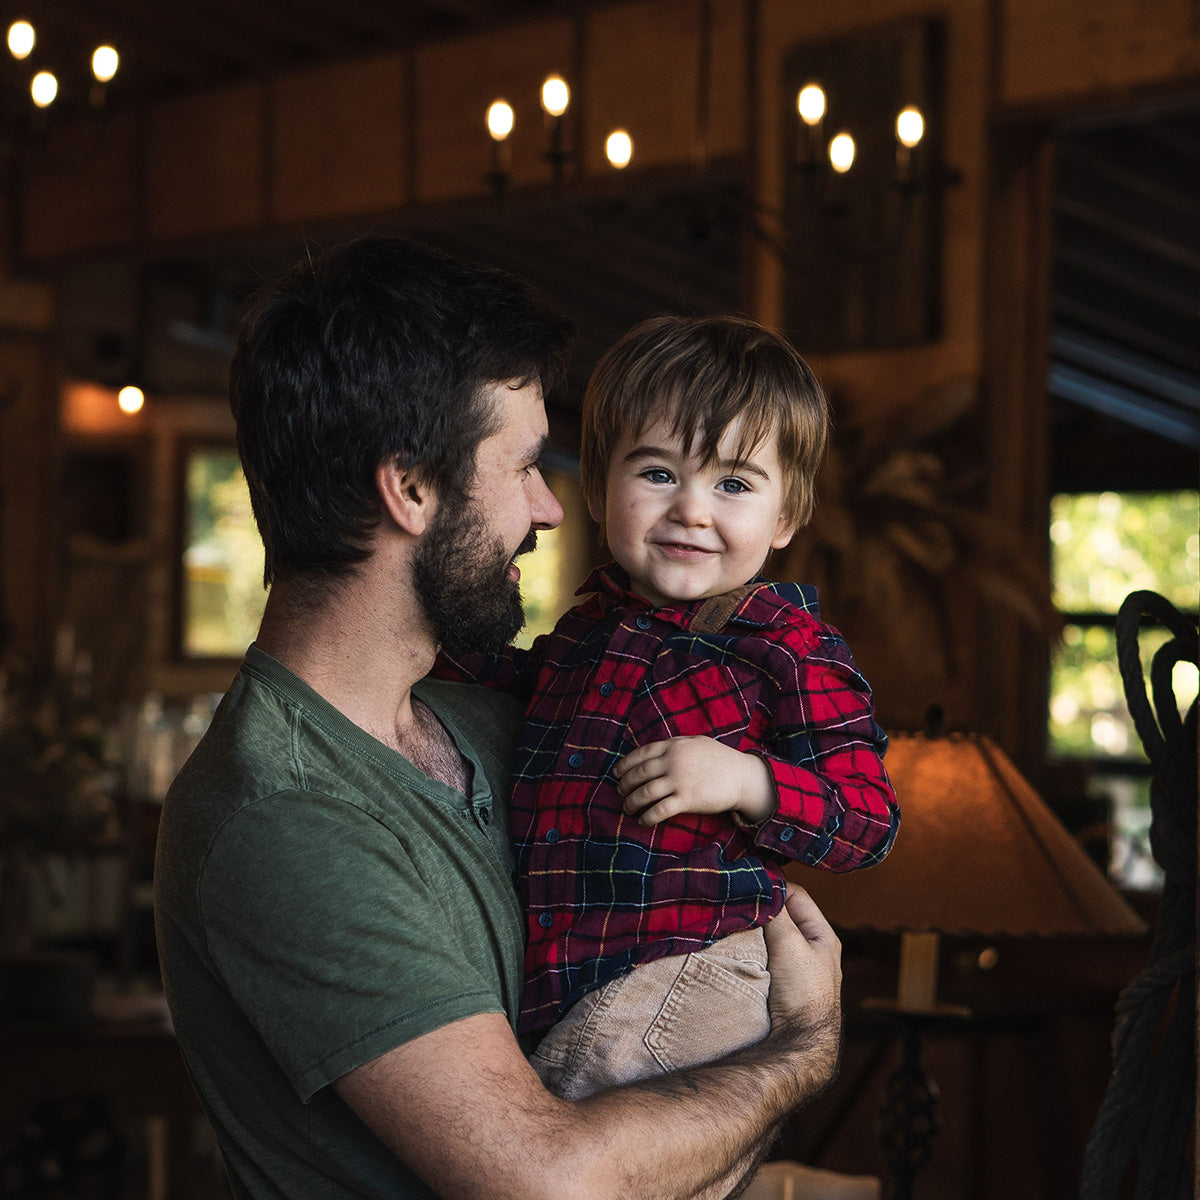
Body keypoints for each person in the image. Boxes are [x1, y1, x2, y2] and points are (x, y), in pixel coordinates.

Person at [154, 237, 844, 1200]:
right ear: (412, 489)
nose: (551, 510)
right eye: (523, 467)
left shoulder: (508, 718)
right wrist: (803, 1048)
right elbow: (548, 1185)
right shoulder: (283, 815)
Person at [436, 313, 898, 1100]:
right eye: (657, 474)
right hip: (567, 983)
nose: (691, 508)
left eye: (733, 484)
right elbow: (510, 685)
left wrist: (747, 781)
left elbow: (866, 818)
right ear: (599, 483)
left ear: (786, 516)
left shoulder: (786, 644)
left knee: (554, 1142)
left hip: (695, 972)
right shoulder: (587, 631)